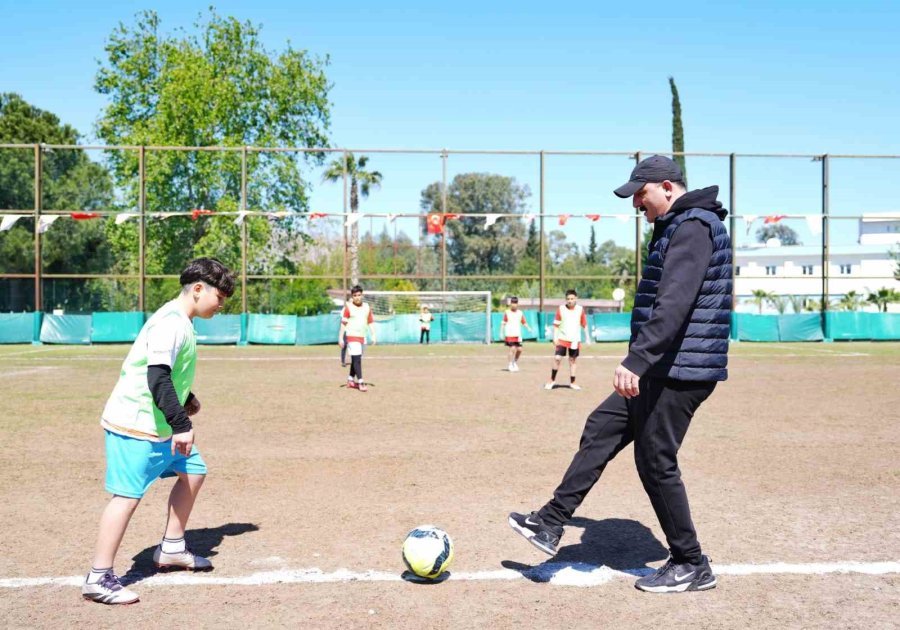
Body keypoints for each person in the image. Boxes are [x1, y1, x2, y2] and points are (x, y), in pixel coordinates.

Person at [509, 155, 732, 593]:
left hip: (679, 368)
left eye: (641, 194)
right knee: (603, 426)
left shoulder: (693, 227)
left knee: (654, 460)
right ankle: (552, 521)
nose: (636, 205)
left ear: (667, 186)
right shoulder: (678, 226)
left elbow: (674, 303)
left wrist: (637, 359)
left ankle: (691, 562)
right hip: (666, 363)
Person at [82, 258, 236, 605]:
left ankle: (171, 547)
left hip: (160, 422)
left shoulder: (181, 320)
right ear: (199, 289)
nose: (222, 304)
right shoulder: (171, 323)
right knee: (127, 497)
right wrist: (182, 423)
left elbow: (166, 373)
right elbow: (157, 377)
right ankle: (98, 577)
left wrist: (186, 399)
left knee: (193, 471)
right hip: (136, 424)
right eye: (220, 296)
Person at [544, 290, 589, 390]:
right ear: (566, 299)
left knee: (572, 361)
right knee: (557, 358)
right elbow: (556, 325)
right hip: (562, 339)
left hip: (574, 340)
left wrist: (587, 338)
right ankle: (552, 380)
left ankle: (573, 382)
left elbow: (584, 324)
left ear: (576, 299)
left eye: (572, 299)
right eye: (568, 299)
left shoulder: (580, 309)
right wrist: (555, 338)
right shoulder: (561, 309)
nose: (570, 301)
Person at [338, 285, 377, 392]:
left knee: (356, 359)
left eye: (359, 295)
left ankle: (350, 380)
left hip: (362, 337)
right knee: (357, 360)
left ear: (362, 295)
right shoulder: (348, 307)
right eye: (355, 295)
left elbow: (370, 321)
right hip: (351, 336)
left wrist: (373, 334)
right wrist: (340, 337)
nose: (357, 297)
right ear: (352, 296)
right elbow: (343, 323)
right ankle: (360, 382)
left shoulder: (367, 307)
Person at [499, 296, 533, 372]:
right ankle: (510, 364)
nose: (514, 304)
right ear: (510, 304)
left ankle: (514, 362)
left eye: (515, 303)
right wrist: (501, 332)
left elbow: (524, 322)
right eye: (512, 303)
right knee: (512, 348)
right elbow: (503, 323)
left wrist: (528, 328)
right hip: (509, 334)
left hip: (517, 334)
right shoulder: (507, 312)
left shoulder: (520, 313)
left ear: (517, 304)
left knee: (520, 349)